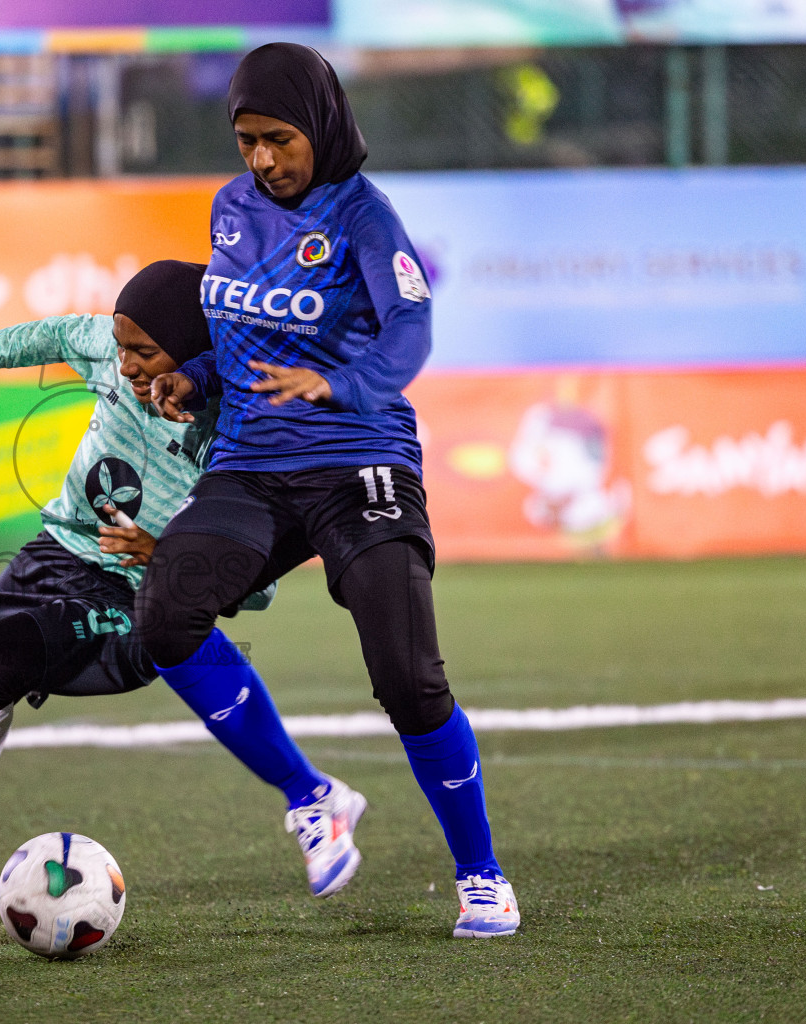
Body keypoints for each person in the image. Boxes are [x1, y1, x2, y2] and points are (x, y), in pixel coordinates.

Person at [0, 261, 362, 918]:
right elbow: (43, 338)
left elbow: (253, 573)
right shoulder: (112, 345)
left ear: (192, 351)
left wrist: (165, 555)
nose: (124, 361)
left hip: (136, 599)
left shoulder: (242, 420)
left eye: (143, 351)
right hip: (56, 550)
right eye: (121, 345)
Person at [141, 43, 520, 939]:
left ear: (322, 126)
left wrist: (338, 384)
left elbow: (412, 329)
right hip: (250, 466)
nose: (262, 160)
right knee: (166, 615)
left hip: (362, 465)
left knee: (408, 678)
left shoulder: (365, 217)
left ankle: (483, 875)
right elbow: (237, 333)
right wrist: (195, 375)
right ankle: (311, 796)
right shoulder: (229, 209)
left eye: (278, 138)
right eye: (246, 141)